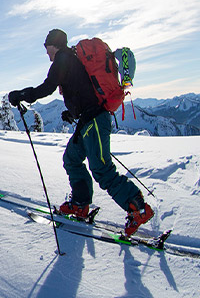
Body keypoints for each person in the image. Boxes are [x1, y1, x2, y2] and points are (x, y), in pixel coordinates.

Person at [8, 29, 154, 236]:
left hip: (95, 120)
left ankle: (138, 208)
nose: (46, 52)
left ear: (54, 44)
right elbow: (81, 89)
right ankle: (79, 204)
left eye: (46, 46)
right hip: (87, 120)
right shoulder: (71, 59)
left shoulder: (63, 59)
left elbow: (47, 87)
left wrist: (21, 95)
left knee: (102, 169)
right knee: (72, 159)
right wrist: (72, 112)